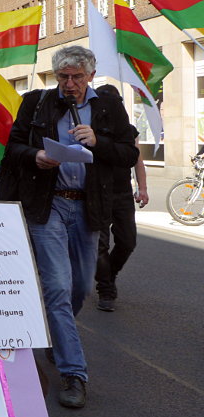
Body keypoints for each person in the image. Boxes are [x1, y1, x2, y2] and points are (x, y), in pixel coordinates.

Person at [1, 46, 138, 408]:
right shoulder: (36, 103)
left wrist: (99, 142)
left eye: (77, 76)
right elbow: (12, 147)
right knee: (58, 287)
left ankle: (53, 333)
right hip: (49, 207)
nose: (70, 84)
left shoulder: (109, 106)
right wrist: (37, 156)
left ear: (91, 76)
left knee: (79, 286)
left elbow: (129, 153)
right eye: (63, 77)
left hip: (89, 208)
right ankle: (74, 373)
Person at [93, 84, 148, 312]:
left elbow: (137, 160)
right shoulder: (91, 127)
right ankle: (106, 289)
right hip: (97, 191)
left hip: (123, 192)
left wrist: (142, 188)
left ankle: (109, 274)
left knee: (127, 241)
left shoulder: (128, 129)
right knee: (100, 244)